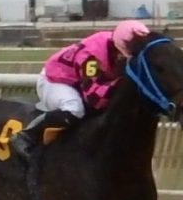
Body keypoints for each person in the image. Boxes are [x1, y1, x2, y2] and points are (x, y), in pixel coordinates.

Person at [11, 19, 150, 162]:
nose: (125, 59)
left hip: (81, 82)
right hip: (55, 79)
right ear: (117, 46)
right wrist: (121, 82)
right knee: (75, 108)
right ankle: (27, 136)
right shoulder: (92, 55)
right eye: (124, 56)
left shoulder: (121, 45)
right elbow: (94, 98)